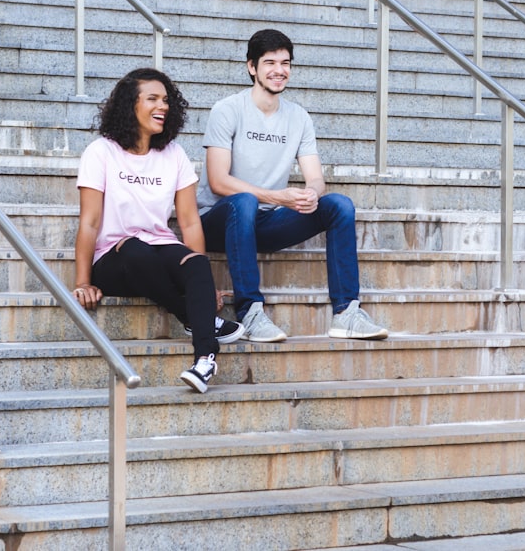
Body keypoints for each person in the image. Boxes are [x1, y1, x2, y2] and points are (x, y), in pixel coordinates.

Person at [197, 29, 388, 342]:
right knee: (244, 201)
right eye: (269, 62)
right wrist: (278, 196)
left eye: (285, 63)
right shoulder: (227, 110)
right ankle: (251, 312)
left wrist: (311, 194)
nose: (279, 70)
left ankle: (347, 313)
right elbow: (218, 181)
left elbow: (315, 177)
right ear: (251, 67)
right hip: (219, 219)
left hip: (267, 221)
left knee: (339, 205)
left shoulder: (298, 117)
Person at [74, 68, 244, 394]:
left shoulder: (174, 155)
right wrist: (83, 282)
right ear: (130, 105)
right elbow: (90, 221)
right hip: (115, 257)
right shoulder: (101, 152)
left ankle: (205, 359)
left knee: (195, 263)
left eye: (166, 100)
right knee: (136, 250)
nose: (162, 106)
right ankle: (196, 317)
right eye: (152, 99)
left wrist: (206, 287)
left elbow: (190, 222)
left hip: (158, 247)